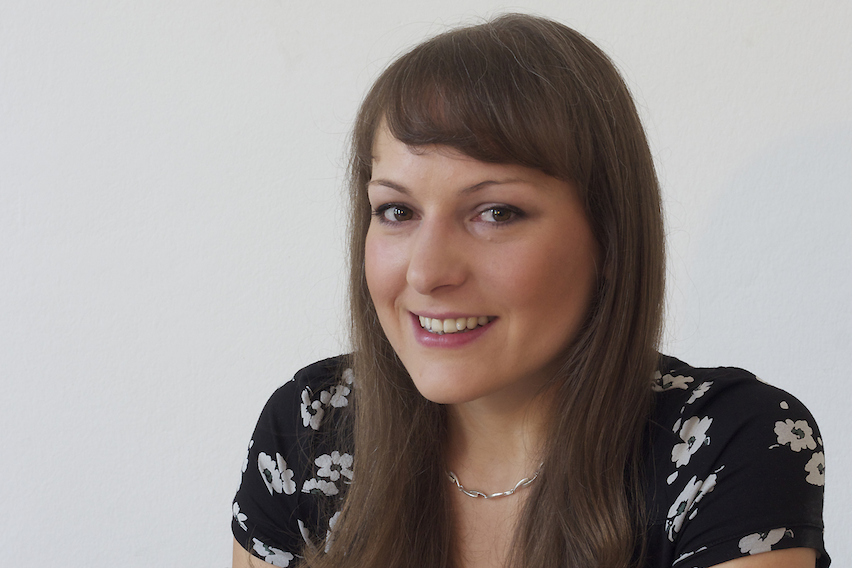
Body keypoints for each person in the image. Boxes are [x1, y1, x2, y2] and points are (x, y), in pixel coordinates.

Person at [231, 14, 828, 568]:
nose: (426, 273)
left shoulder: (728, 448)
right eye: (397, 210)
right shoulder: (309, 428)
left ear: (609, 237)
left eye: (496, 212)